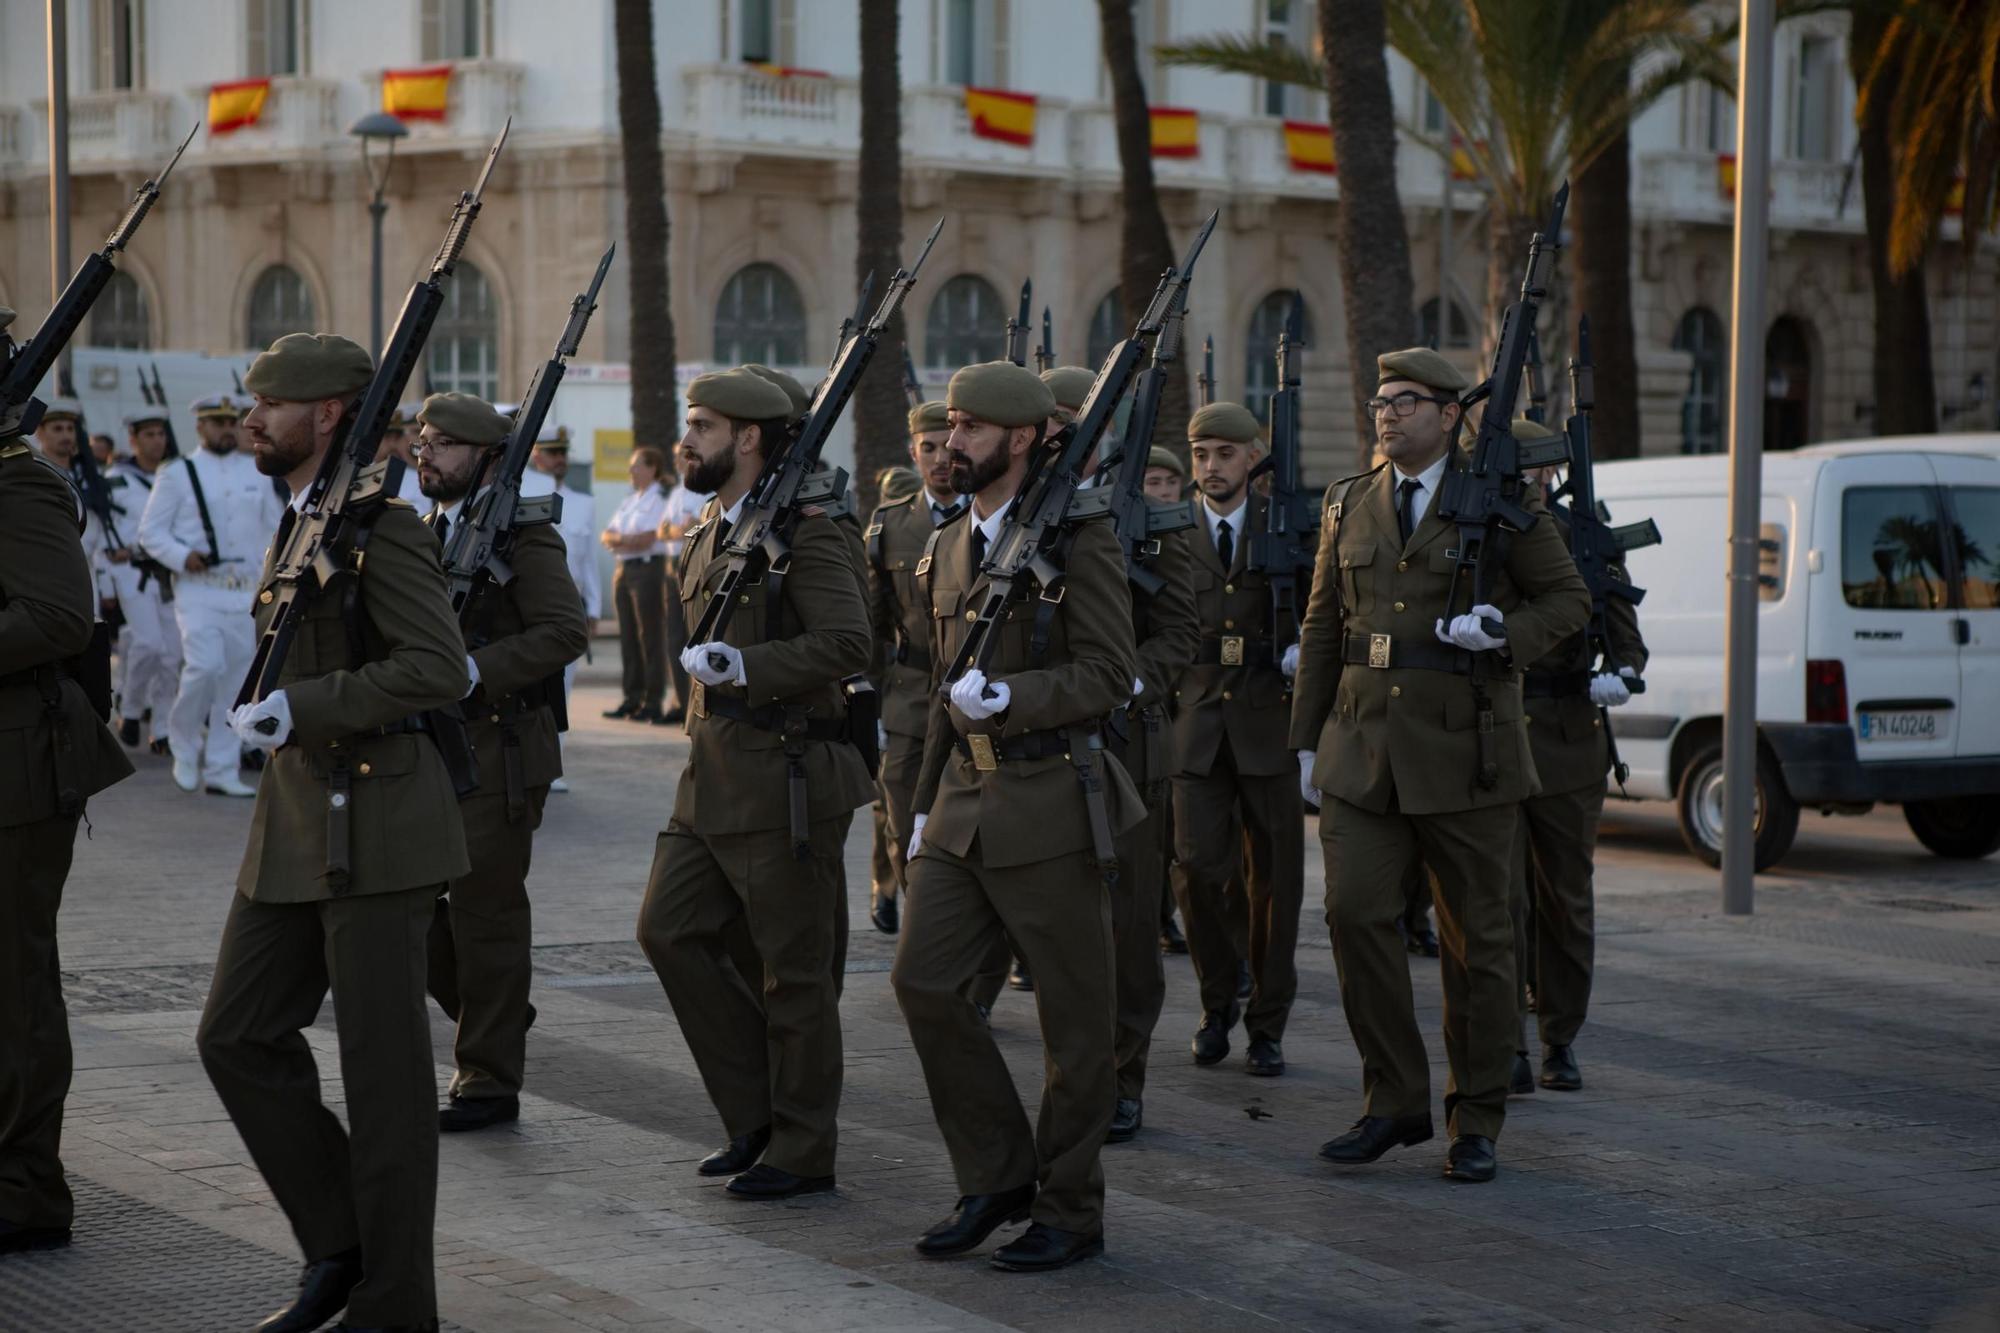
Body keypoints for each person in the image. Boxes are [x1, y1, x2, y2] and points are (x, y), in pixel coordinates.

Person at [195, 333, 472, 1332]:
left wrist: (307, 704)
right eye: (250, 400)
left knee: (384, 1082)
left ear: (324, 416)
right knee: (235, 1034)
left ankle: (397, 1303)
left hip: (383, 822)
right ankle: (344, 1241)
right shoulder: (305, 519)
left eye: (271, 403)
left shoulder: (381, 525)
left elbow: (439, 669)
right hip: (296, 822)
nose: (251, 416)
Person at [1291, 348, 1590, 1184]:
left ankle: (1478, 1113)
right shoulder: (1348, 501)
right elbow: (1323, 626)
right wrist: (1305, 740)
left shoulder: (1498, 507)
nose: (1386, 413)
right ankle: (1392, 1098)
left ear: (1452, 414)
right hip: (1362, 750)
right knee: (1352, 915)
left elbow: (1568, 601)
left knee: (1478, 942)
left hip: (1468, 753)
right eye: (1380, 400)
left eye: (1407, 401)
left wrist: (1504, 631)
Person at [892, 362, 1142, 1273]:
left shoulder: (1082, 538)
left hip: (1052, 804)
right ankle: (998, 1171)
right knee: (923, 984)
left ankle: (1071, 1208)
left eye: (970, 428)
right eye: (950, 426)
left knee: (1076, 1029)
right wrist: (917, 810)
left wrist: (1017, 694)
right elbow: (932, 694)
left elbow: (1111, 675)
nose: (951, 443)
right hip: (962, 804)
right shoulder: (948, 543)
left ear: (1025, 438)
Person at [634, 369, 874, 1200]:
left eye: (701, 425)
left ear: (747, 438)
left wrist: (751, 667)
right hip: (710, 776)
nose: (685, 438)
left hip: (790, 776)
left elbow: (850, 641)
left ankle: (803, 1147)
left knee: (794, 972)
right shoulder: (707, 527)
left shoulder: (810, 532)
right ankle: (755, 1110)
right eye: (688, 422)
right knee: (668, 930)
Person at [413, 392, 588, 1133]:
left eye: (444, 444)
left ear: (486, 457)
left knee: (485, 912)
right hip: (429, 745)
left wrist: (473, 669)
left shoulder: (523, 536)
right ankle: (500, 1006)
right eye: (421, 439)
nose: (425, 453)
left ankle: (487, 1076)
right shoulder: (423, 530)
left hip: (501, 744)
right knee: (409, 906)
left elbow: (564, 631)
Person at [1052, 361, 1201, 1145]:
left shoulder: (1148, 515)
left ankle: (1124, 1074)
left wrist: (1127, 683)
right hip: (1047, 749)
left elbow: (1181, 630)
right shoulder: (1028, 514)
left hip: (1129, 744)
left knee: (1131, 924)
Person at [0, 419, 134, 1255]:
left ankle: (25, 1188)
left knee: (13, 980)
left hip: (16, 766)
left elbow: (58, 617)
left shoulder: (19, 484)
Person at [1507, 419, 1649, 1095]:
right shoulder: (1475, 534)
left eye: (1538, 468)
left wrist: (1618, 671)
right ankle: (1504, 1039)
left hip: (1568, 737)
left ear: (1549, 474)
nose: (1529, 479)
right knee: (1497, 900)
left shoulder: (1582, 536)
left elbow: (1626, 635)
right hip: (1495, 736)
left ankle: (1558, 1034)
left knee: (1563, 898)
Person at [1170, 401, 1306, 1078]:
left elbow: (1322, 604)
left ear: (1254, 458)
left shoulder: (1288, 529)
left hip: (1268, 723)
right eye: (1200, 455)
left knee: (1277, 881)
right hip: (1195, 729)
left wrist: (1302, 653)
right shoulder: (1172, 532)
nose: (1211, 467)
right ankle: (1217, 998)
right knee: (1197, 871)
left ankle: (1268, 1022)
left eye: (1225, 454)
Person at [137, 395, 286, 798]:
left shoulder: (256, 472)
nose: (226, 429)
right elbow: (151, 533)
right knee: (204, 666)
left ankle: (222, 767)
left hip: (244, 592)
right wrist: (182, 556)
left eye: (230, 422)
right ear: (200, 427)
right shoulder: (178, 473)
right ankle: (184, 745)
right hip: (199, 589)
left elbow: (275, 529)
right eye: (216, 422)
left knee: (236, 682)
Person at [863, 401, 964, 936]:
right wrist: (872, 704)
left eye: (949, 446)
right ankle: (927, 936)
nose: (941, 458)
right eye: (929, 448)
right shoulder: (889, 526)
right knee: (904, 825)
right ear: (913, 453)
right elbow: (874, 627)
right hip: (907, 699)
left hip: (975, 698)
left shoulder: (992, 518)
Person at [106, 409, 182, 753]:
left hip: (168, 572)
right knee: (149, 643)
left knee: (173, 655)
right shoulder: (116, 480)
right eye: (148, 434)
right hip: (130, 572)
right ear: (133, 440)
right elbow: (99, 532)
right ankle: (132, 708)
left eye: (160, 434)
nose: (157, 440)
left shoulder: (176, 476)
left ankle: (162, 727)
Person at [530, 426, 600, 793]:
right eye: (552, 452)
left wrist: (595, 607)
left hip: (569, 605)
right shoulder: (524, 495)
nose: (559, 459)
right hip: (528, 603)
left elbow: (587, 560)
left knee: (563, 689)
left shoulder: (583, 502)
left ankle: (553, 766)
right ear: (535, 455)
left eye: (562, 453)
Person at [601, 447, 671, 723]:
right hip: (624, 570)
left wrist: (622, 540)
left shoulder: (660, 499)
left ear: (652, 468)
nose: (631, 471)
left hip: (647, 569)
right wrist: (624, 540)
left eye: (636, 466)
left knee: (649, 637)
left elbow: (648, 538)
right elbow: (606, 535)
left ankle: (652, 701)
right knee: (628, 637)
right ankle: (632, 697)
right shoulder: (631, 500)